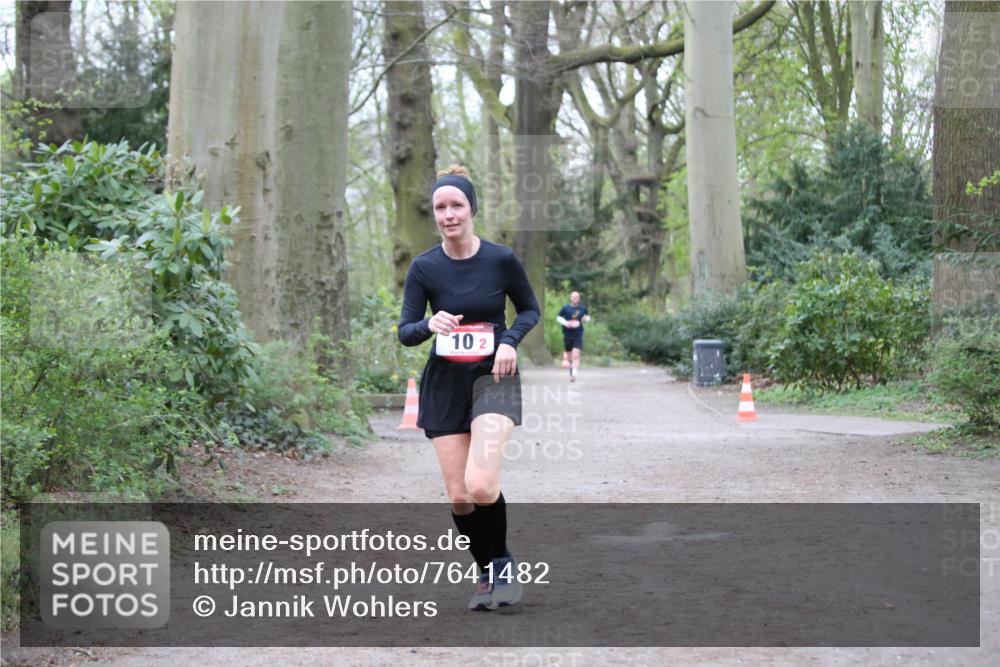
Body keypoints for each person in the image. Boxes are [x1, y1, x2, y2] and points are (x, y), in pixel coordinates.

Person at [397, 165, 539, 611]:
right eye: (440, 207)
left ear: (472, 209)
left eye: (456, 205)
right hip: (445, 384)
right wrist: (428, 324)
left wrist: (509, 341)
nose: (449, 214)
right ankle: (488, 569)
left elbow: (529, 310)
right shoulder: (424, 267)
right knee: (459, 497)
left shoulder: (500, 260)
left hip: (493, 378)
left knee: (480, 485)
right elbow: (405, 331)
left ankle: (502, 568)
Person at [557, 291, 590, 382]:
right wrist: (566, 323)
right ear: (570, 298)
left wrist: (586, 319)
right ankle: (572, 370)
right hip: (567, 334)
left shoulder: (583, 308)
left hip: (578, 334)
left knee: (576, 355)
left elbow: (587, 317)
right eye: (573, 297)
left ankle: (574, 375)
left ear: (579, 298)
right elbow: (558, 317)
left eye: (577, 297)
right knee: (569, 357)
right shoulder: (565, 308)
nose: (575, 298)